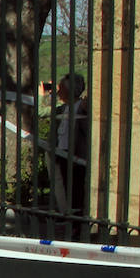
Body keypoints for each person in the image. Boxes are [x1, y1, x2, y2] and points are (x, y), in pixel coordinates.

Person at [51, 72, 89, 232]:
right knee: (65, 188)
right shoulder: (62, 108)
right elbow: (39, 112)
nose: (58, 91)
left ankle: (76, 225)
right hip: (61, 153)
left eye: (61, 88)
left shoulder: (82, 107)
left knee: (76, 190)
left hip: (76, 156)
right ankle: (69, 219)